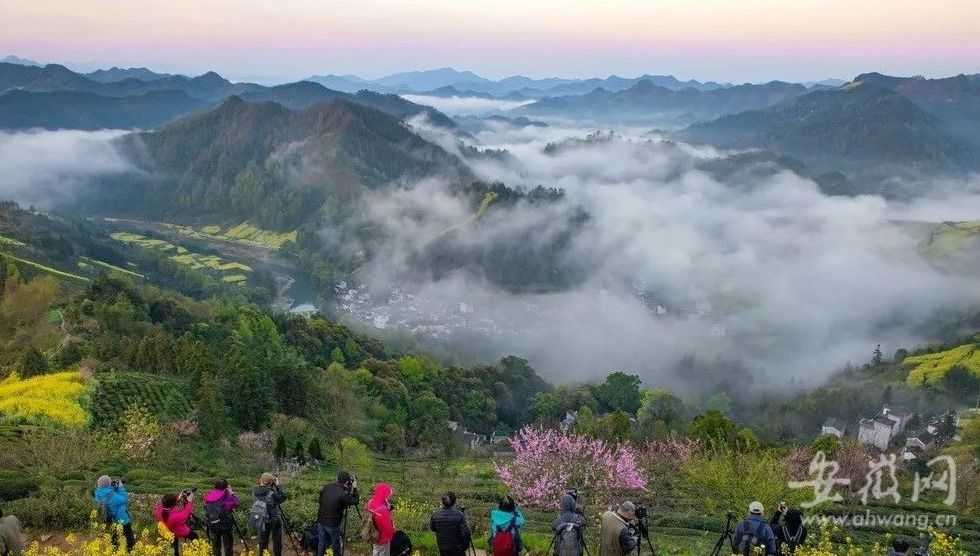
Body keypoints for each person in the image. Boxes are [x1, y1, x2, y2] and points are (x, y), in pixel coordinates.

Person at [316, 471, 359, 556]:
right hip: (333, 524)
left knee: (321, 542)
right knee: (336, 545)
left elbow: (320, 501)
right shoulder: (343, 494)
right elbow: (355, 501)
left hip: (320, 521)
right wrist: (355, 488)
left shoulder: (326, 487)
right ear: (347, 481)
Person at [94, 475, 135, 552]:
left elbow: (107, 495)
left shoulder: (98, 494)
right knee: (129, 539)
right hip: (122, 520)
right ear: (109, 483)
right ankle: (131, 552)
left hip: (110, 521)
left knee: (114, 540)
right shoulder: (113, 495)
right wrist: (120, 488)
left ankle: (114, 552)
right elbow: (123, 499)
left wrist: (112, 489)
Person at [203, 478, 240, 556]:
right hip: (225, 526)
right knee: (228, 546)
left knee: (215, 546)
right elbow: (236, 503)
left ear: (215, 486)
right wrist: (231, 492)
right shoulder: (227, 496)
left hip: (212, 524)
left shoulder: (208, 495)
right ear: (226, 487)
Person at [253, 473, 287, 556]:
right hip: (274, 519)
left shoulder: (254, 491)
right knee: (277, 540)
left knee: (263, 540)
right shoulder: (272, 493)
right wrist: (278, 485)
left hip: (262, 519)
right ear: (272, 482)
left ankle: (263, 554)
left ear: (260, 480)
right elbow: (283, 497)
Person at [155, 490, 198, 556]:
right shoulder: (175, 517)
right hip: (181, 532)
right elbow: (186, 512)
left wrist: (179, 497)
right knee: (195, 536)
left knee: (175, 547)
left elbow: (168, 504)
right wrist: (189, 501)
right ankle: (195, 552)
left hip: (171, 531)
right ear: (173, 504)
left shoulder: (161, 510)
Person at [430, 492, 471, 556]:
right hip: (457, 549)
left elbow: (432, 528)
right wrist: (465, 547)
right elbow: (465, 534)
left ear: (442, 502)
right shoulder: (460, 515)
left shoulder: (435, 515)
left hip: (442, 549)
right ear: (454, 501)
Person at [366, 483, 395, 556]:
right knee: (383, 553)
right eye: (388, 495)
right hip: (383, 537)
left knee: (376, 550)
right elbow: (388, 528)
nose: (388, 497)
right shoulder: (383, 510)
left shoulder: (370, 502)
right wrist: (393, 529)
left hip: (373, 534)